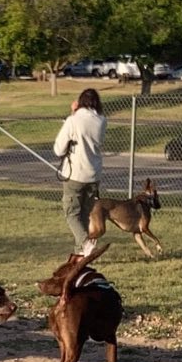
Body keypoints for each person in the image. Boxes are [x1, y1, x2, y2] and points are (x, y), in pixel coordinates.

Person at [53, 87, 107, 253]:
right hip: (93, 175)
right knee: (84, 215)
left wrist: (73, 114)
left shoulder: (73, 120)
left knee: (71, 213)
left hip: (75, 174)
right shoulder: (102, 120)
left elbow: (59, 149)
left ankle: (85, 243)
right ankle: (80, 255)